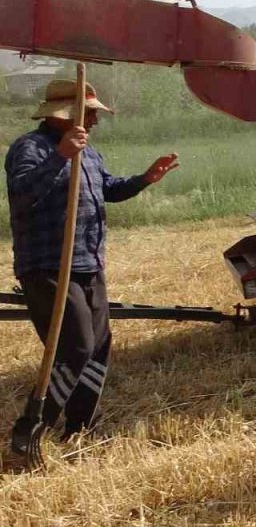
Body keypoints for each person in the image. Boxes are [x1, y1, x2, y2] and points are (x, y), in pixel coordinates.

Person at [6, 80, 180, 451]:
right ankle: (30, 430)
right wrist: (61, 156)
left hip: (87, 262)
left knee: (99, 346)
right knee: (76, 346)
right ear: (64, 117)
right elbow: (22, 195)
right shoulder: (30, 148)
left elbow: (108, 189)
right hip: (49, 266)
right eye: (90, 113)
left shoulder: (89, 152)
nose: (96, 119)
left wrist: (145, 180)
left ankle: (80, 428)